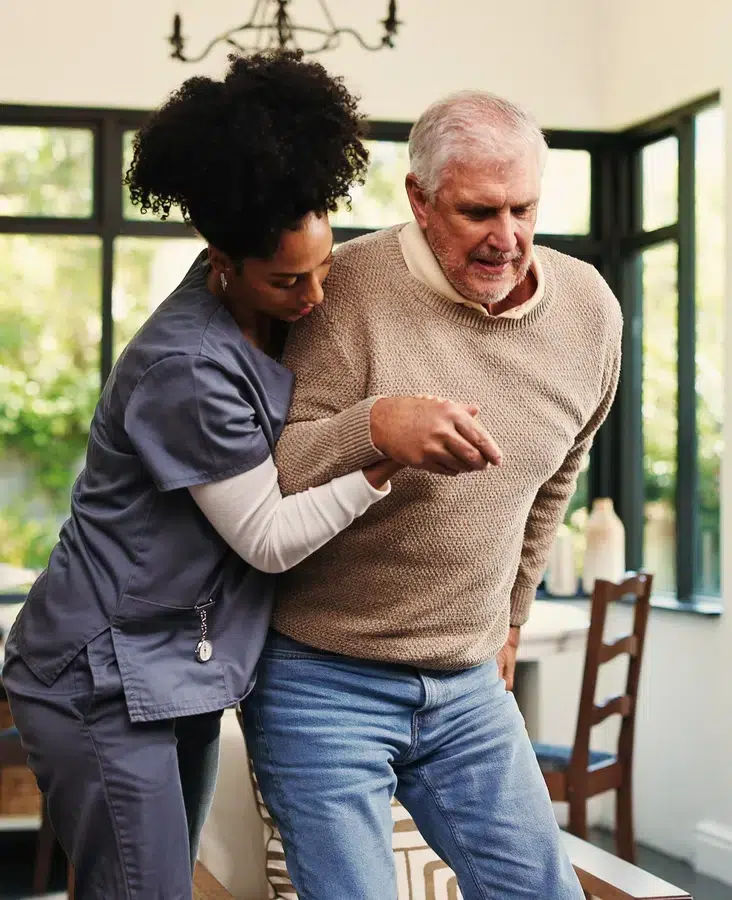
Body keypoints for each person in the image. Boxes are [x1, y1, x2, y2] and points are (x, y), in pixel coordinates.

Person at [1, 55, 498, 900]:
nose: (314, 296)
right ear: (222, 261)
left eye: (324, 268)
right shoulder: (187, 366)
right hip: (99, 678)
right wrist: (380, 448)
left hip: (177, 670)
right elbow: (267, 539)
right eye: (287, 281)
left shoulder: (274, 315)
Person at [240, 90, 624, 899]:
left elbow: (559, 475)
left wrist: (512, 616)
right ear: (418, 200)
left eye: (524, 208)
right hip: (321, 678)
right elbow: (268, 472)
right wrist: (377, 426)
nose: (508, 237)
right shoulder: (342, 291)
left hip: (466, 684)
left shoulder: (590, 310)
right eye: (479, 211)